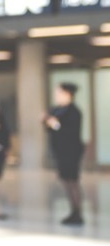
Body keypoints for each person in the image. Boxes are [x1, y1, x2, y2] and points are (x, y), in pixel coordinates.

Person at [44, 82, 84, 225]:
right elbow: (50, 128)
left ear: (67, 94)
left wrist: (54, 124)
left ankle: (77, 212)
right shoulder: (56, 110)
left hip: (71, 152)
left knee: (72, 181)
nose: (56, 95)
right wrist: (47, 122)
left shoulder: (74, 112)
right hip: (60, 151)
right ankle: (73, 211)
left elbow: (70, 132)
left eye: (59, 92)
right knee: (66, 181)